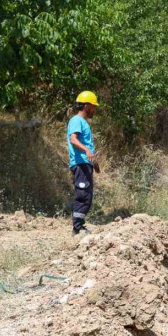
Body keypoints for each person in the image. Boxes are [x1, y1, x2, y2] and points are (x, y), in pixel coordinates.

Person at [67, 91, 101, 235]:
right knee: (83, 196)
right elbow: (73, 140)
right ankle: (77, 229)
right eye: (93, 106)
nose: (94, 109)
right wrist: (87, 151)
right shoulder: (76, 120)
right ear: (86, 105)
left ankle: (79, 226)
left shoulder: (83, 122)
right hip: (80, 164)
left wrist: (95, 163)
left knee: (87, 195)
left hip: (85, 164)